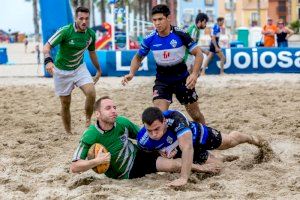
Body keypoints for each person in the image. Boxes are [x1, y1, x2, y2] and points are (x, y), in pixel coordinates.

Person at [70, 96, 214, 186]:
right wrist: (96, 162)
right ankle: (200, 163)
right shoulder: (90, 134)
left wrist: (161, 148)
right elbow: (74, 167)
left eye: (114, 107)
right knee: (173, 164)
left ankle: (200, 168)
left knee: (173, 165)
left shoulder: (122, 122)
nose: (113, 110)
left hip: (140, 157)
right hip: (122, 176)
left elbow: (144, 135)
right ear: (97, 113)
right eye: (108, 108)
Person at [137, 107, 266, 187]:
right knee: (219, 167)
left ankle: (252, 139)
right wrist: (161, 153)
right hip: (182, 150)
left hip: (199, 136)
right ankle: (221, 158)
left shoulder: (175, 118)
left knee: (230, 142)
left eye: (157, 129)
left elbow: (187, 148)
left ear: (164, 121)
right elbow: (152, 157)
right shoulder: (142, 139)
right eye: (149, 130)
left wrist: (183, 178)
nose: (154, 134)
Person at [122, 4, 206, 125]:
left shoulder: (180, 34)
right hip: (162, 81)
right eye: (154, 20)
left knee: (196, 116)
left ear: (168, 18)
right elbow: (138, 57)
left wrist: (194, 74)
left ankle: (204, 139)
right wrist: (131, 73)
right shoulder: (149, 39)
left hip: (182, 79)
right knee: (159, 118)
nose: (157, 23)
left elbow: (198, 53)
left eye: (160, 19)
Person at [43, 7, 102, 134]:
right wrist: (48, 61)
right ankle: (68, 132)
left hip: (79, 68)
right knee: (65, 104)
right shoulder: (65, 31)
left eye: (86, 19)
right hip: (61, 71)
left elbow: (92, 53)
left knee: (91, 92)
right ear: (76, 18)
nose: (84, 21)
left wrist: (98, 70)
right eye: (81, 18)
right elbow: (46, 47)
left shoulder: (91, 34)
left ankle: (87, 119)